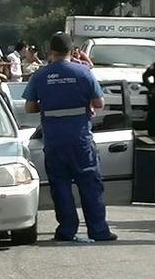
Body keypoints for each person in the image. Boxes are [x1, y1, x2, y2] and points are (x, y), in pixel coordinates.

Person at [22, 32, 117, 242]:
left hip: (54, 140)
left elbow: (29, 107)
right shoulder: (83, 72)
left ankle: (66, 230)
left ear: (50, 52)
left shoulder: (40, 75)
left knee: (60, 184)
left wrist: (49, 105)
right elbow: (99, 103)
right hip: (80, 139)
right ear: (71, 51)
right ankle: (99, 231)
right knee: (90, 184)